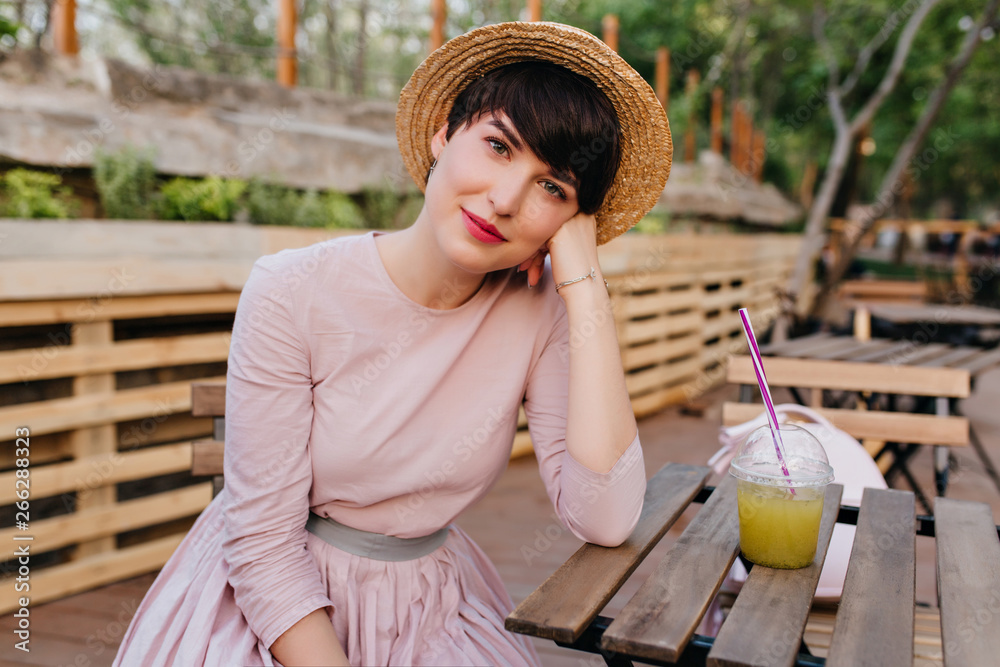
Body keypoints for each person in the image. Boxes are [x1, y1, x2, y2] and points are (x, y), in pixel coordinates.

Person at [113, 20, 671, 667]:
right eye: (497, 145)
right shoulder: (293, 289)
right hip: (271, 609)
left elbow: (604, 516)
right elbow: (262, 544)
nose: (504, 198)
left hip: (425, 610)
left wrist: (585, 288)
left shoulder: (541, 309)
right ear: (443, 132)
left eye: (553, 187)